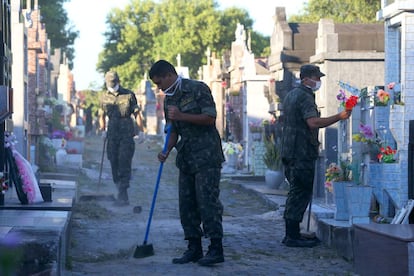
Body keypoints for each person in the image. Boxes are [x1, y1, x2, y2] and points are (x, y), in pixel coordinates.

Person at [149, 60, 225, 266]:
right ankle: (194, 248)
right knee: (187, 204)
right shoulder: (168, 100)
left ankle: (216, 248)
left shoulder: (197, 89)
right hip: (187, 157)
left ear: (168, 75)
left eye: (159, 83)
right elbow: (173, 130)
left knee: (207, 202)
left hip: (207, 155)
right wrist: (166, 150)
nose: (159, 88)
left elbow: (210, 118)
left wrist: (182, 115)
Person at [281, 64, 352, 247]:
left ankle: (294, 232)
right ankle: (292, 236)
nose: (318, 81)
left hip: (291, 150)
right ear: (306, 79)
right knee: (300, 192)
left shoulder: (291, 95)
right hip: (301, 152)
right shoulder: (304, 96)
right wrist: (339, 116)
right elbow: (312, 122)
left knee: (296, 191)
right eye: (316, 78)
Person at [99, 71, 143, 206]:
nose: (112, 86)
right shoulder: (103, 97)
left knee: (124, 161)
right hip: (112, 132)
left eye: (113, 83)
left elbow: (137, 114)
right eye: (109, 84)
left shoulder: (129, 95)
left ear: (118, 81)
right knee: (113, 161)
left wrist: (141, 131)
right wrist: (103, 130)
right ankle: (119, 188)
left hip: (126, 133)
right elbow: (101, 115)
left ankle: (123, 194)